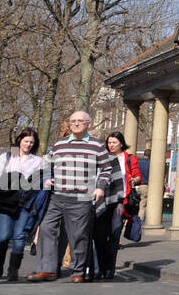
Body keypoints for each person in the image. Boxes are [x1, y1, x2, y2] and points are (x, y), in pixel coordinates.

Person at [26, 111, 115, 283]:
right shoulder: (59, 144)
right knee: (46, 228)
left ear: (88, 123)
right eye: (73, 121)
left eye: (80, 121)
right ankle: (47, 269)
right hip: (56, 196)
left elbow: (106, 169)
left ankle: (78, 271)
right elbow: (46, 166)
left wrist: (100, 188)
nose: (76, 124)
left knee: (78, 235)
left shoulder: (97, 145)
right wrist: (46, 178)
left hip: (81, 198)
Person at [0, 128, 46, 281]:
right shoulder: (8, 156)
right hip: (6, 202)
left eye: (31, 142)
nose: (28, 144)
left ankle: (13, 269)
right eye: (26, 141)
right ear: (19, 140)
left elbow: (37, 182)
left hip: (25, 203)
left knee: (19, 236)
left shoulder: (37, 161)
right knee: (2, 237)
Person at [93, 131, 139, 281]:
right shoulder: (103, 157)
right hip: (102, 200)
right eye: (109, 143)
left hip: (121, 201)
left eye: (114, 143)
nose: (111, 145)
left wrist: (134, 180)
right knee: (100, 236)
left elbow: (138, 176)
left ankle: (109, 269)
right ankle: (99, 266)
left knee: (114, 235)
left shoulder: (129, 158)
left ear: (121, 143)